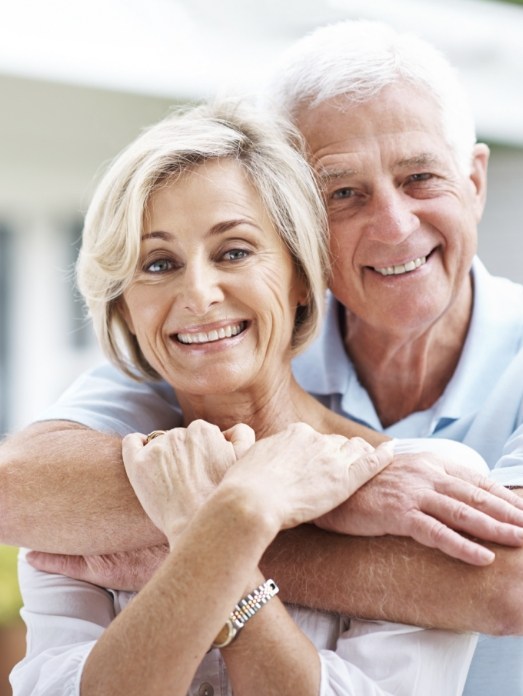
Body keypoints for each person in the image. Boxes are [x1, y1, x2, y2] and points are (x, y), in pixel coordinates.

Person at [2, 18, 523, 695]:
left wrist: (212, 538)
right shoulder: (200, 354)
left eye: (420, 177)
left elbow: (506, 586)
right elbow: (21, 489)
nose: (393, 224)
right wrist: (301, 501)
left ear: (474, 181)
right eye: (343, 192)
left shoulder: (429, 460)